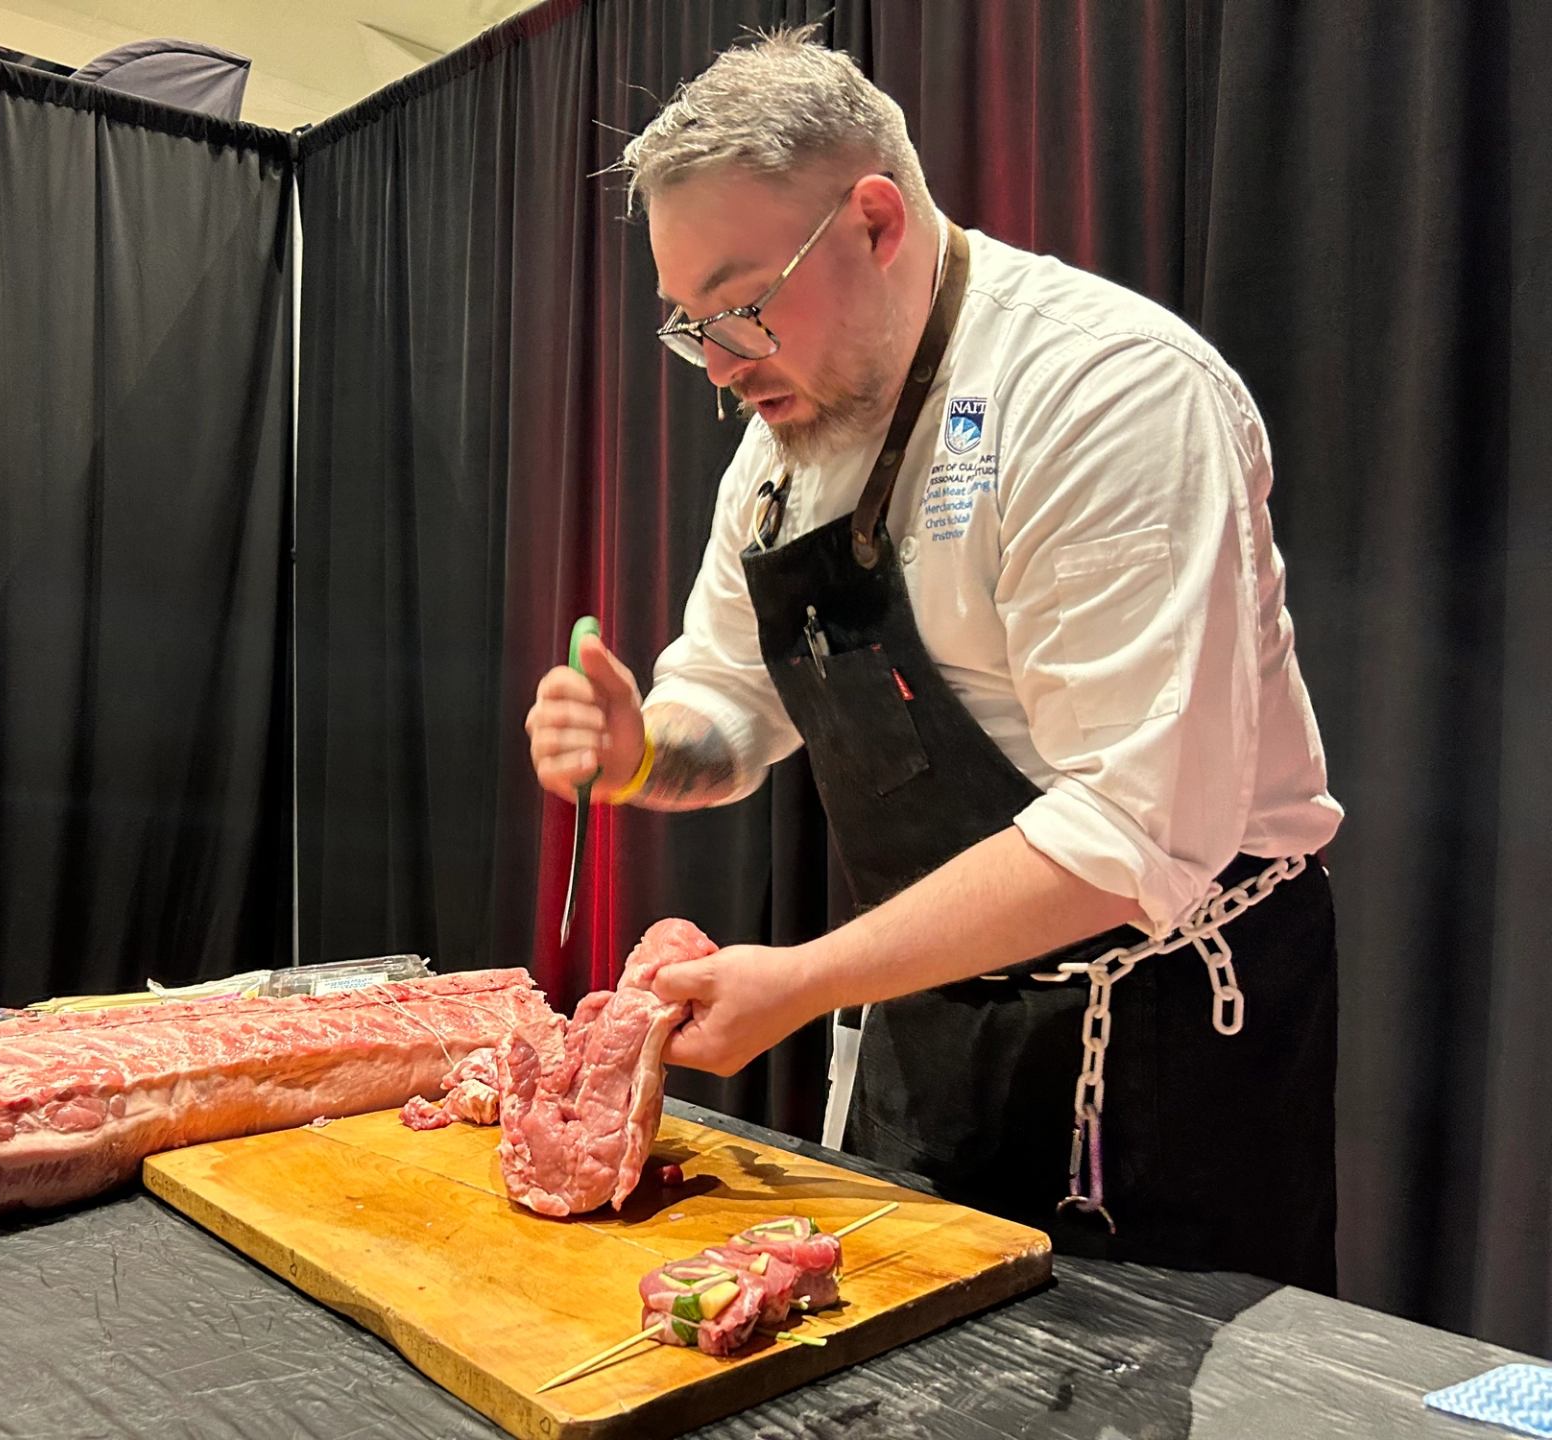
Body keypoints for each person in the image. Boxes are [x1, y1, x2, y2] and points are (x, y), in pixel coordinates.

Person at [523, 29, 1343, 1292]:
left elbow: (1131, 828)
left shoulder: (1104, 394)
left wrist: (804, 981)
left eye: (742, 306)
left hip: (1160, 1034)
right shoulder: (784, 440)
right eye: (691, 328)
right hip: (930, 1016)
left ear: (874, 221)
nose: (724, 367)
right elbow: (730, 705)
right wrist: (646, 751)